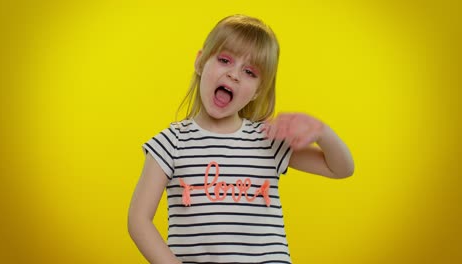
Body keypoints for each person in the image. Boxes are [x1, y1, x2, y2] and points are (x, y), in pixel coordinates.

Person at [128, 14, 354, 264]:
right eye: (225, 60)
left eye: (249, 72)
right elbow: (138, 220)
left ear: (258, 90)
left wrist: (321, 132)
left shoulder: (268, 140)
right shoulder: (170, 143)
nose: (234, 75)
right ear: (200, 62)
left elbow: (341, 169)